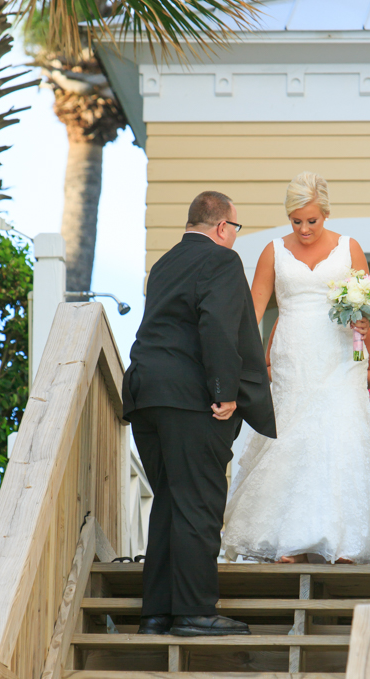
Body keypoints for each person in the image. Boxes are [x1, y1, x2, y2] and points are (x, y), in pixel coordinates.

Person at [122, 191, 276, 636]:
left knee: (170, 502)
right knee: (200, 504)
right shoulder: (222, 262)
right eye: (236, 229)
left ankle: (156, 614)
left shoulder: (165, 264)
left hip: (146, 395)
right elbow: (217, 325)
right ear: (223, 227)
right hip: (190, 400)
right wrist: (225, 391)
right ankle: (194, 611)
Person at [223, 172, 370, 564]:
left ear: (326, 214)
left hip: (339, 354)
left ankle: (346, 542)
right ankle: (293, 541)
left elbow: (366, 303)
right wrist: (240, 360)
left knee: (341, 432)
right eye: (296, 220)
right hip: (293, 355)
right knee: (296, 434)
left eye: (311, 220)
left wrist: (367, 339)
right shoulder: (272, 251)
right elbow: (253, 312)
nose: (303, 229)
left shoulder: (350, 248)